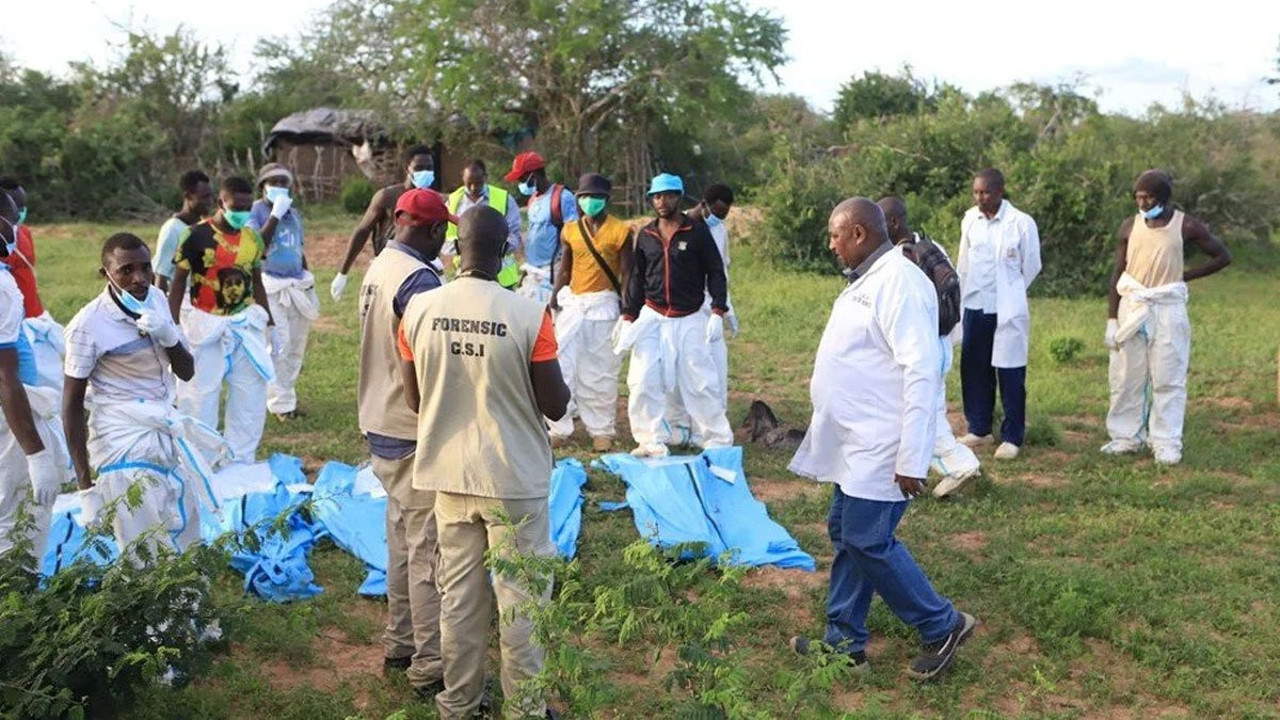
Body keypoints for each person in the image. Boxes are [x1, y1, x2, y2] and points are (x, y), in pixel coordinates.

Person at [788, 197, 976, 681]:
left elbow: (921, 372)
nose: (831, 245)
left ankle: (943, 624)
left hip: (884, 443)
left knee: (867, 539)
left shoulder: (900, 282)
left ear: (858, 233)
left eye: (835, 235)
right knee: (846, 533)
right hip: (856, 440)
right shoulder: (869, 278)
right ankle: (844, 644)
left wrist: (912, 457)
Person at [397, 205, 569, 719]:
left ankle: (459, 703)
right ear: (505, 251)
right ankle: (526, 709)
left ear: (455, 248)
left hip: (450, 475)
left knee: (459, 598)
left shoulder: (419, 310)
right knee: (522, 601)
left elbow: (415, 399)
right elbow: (555, 405)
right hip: (513, 479)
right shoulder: (529, 315)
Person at [62, 233, 223, 555]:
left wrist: (169, 336)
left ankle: (189, 588)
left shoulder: (157, 300)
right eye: (126, 270)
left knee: (185, 526)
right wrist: (85, 488)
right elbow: (71, 405)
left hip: (163, 430)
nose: (138, 278)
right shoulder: (88, 325)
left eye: (145, 268)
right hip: (122, 440)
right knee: (144, 545)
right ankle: (150, 588)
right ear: (106, 273)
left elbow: (186, 371)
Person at [357, 188, 453, 696]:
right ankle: (430, 665)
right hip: (411, 426)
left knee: (400, 538)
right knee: (428, 552)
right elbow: (431, 361)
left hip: (379, 419)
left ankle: (400, 642)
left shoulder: (380, 266)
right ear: (434, 230)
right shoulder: (420, 281)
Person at [1101, 170, 1231, 465]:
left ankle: (1166, 442)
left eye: (1148, 197)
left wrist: (1185, 276)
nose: (1142, 203)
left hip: (1167, 307)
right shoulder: (1129, 227)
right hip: (1133, 304)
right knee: (1125, 376)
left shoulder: (1186, 225)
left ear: (1163, 197)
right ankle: (1125, 437)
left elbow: (1222, 257)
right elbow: (1118, 273)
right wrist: (1111, 319)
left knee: (1168, 376)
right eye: (1138, 198)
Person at [614, 173, 733, 458]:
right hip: (653, 316)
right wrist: (628, 315)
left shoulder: (697, 232)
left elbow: (715, 271)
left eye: (668, 195)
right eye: (657, 196)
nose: (662, 201)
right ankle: (650, 439)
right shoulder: (646, 235)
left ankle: (715, 440)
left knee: (701, 381)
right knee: (642, 380)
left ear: (678, 197)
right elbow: (637, 278)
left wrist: (718, 310)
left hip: (690, 316)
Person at [878, 196, 982, 498]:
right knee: (927, 409)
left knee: (922, 413)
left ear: (893, 223)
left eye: (879, 222)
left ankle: (960, 466)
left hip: (922, 347)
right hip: (941, 343)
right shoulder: (930, 245)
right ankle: (917, 471)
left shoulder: (901, 260)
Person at [167, 176, 275, 466]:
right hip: (204, 325)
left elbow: (256, 281)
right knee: (199, 397)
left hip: (244, 326)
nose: (242, 213)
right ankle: (200, 461)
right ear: (221, 203)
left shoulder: (252, 238)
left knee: (249, 396)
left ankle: (241, 460)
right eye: (236, 207)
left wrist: (270, 324)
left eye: (247, 207)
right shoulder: (195, 235)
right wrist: (172, 328)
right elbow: (178, 283)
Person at [955, 168, 1041, 461]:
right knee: (973, 368)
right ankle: (979, 428)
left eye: (985, 192)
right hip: (975, 304)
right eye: (976, 192)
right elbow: (963, 262)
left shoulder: (1021, 223)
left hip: (1006, 308)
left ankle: (1012, 436)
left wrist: (1012, 292)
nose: (980, 198)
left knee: (1010, 371)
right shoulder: (970, 219)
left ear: (1000, 191)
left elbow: (1031, 265)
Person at [0, 191, 68, 559]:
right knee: (19, 522)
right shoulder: (2, 288)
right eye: (12, 222)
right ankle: (18, 593)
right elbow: (5, 377)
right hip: (11, 418)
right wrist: (36, 453)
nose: (16, 231)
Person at [546, 173, 631, 451]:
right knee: (561, 366)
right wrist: (553, 300)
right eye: (584, 196)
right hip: (573, 306)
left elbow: (628, 273)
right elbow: (565, 269)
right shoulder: (570, 230)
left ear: (606, 199)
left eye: (595, 196)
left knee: (600, 370)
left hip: (603, 307)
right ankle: (559, 427)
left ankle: (601, 430)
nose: (589, 201)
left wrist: (627, 309)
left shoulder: (621, 231)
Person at [668, 182, 738, 443]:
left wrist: (726, 308)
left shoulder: (719, 231)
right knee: (682, 369)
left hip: (711, 308)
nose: (719, 219)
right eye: (716, 213)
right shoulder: (679, 225)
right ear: (704, 204)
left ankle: (706, 429)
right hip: (685, 308)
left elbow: (721, 272)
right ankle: (679, 426)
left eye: (724, 215)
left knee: (714, 371)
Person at [249, 163, 320, 421]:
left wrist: (309, 282)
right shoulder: (255, 211)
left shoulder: (294, 213)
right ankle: (278, 404)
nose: (279, 187)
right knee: (280, 342)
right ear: (263, 186)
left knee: (296, 345)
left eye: (284, 183)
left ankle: (286, 398)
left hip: (296, 283)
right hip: (269, 284)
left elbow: (298, 249)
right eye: (274, 182)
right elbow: (257, 248)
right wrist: (274, 216)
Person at [332, 144, 438, 301]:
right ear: (407, 168)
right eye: (419, 168)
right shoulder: (387, 197)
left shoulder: (433, 200)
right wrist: (343, 273)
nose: (425, 172)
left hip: (420, 268)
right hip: (388, 266)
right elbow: (362, 231)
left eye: (429, 168)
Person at [0, 178, 65, 392]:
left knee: (49, 386)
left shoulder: (24, 233)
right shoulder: (4, 239)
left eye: (22, 206)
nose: (20, 212)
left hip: (36, 316)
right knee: (21, 382)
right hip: (13, 322)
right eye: (16, 206)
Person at [504, 151, 577, 303]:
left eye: (522, 179)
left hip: (552, 273)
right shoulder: (533, 200)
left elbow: (574, 239)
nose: (520, 184)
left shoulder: (562, 197)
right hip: (532, 272)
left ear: (534, 175)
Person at [443, 160, 523, 289]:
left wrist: (490, 250)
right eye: (469, 183)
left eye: (478, 183)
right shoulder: (453, 202)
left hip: (502, 279)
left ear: (485, 177)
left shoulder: (504, 199)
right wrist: (471, 250)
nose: (473, 188)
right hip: (465, 277)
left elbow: (514, 236)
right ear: (462, 177)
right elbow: (446, 242)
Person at [154, 170, 216, 293]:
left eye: (211, 196)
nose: (210, 201)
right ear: (188, 196)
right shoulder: (172, 230)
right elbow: (161, 277)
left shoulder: (204, 227)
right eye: (204, 197)